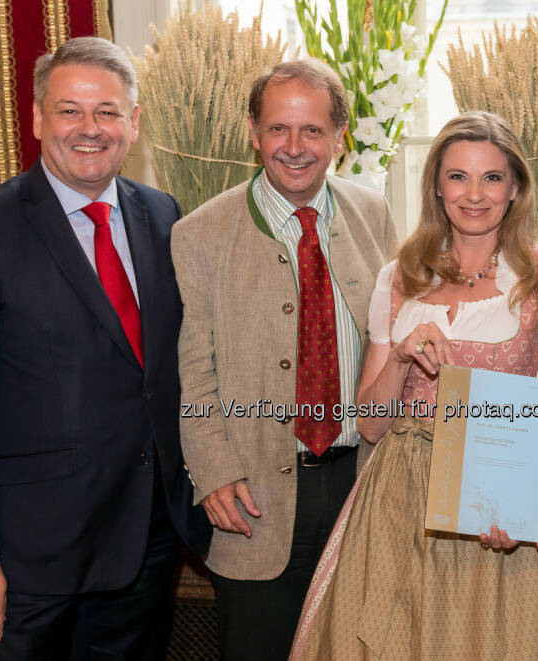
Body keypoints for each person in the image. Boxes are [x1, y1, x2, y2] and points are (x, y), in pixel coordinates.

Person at [0, 37, 211, 659]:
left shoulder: (161, 214)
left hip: (144, 547)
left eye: (107, 112)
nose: (89, 129)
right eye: (70, 110)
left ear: (134, 122)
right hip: (27, 565)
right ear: (39, 119)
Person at [289, 111, 538, 660]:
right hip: (399, 500)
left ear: (515, 188)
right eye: (458, 176)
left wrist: (511, 506)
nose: (475, 194)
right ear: (437, 187)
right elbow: (370, 426)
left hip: (501, 491)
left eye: (492, 177)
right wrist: (399, 355)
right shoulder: (399, 276)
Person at [171, 58, 397, 660]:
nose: (295, 147)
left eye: (313, 130)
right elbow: (194, 371)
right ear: (253, 131)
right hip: (255, 502)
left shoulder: (373, 215)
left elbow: (398, 341)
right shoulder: (198, 235)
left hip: (362, 488)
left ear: (340, 137)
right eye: (278, 129)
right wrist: (214, 470)